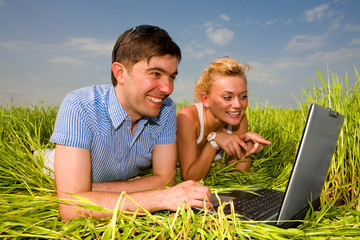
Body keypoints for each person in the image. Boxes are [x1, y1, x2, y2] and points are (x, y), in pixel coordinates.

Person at [50, 25, 211, 221]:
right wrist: (162, 198)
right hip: (54, 162)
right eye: (155, 74)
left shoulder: (166, 109)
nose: (168, 88)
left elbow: (165, 180)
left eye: (171, 77)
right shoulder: (79, 106)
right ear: (120, 73)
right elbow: (73, 207)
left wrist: (91, 191)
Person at [176, 57, 271, 181]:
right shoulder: (188, 118)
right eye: (227, 97)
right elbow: (190, 178)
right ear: (205, 99)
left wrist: (245, 149)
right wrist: (213, 142)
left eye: (243, 96)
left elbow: (237, 178)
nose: (237, 105)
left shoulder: (238, 119)